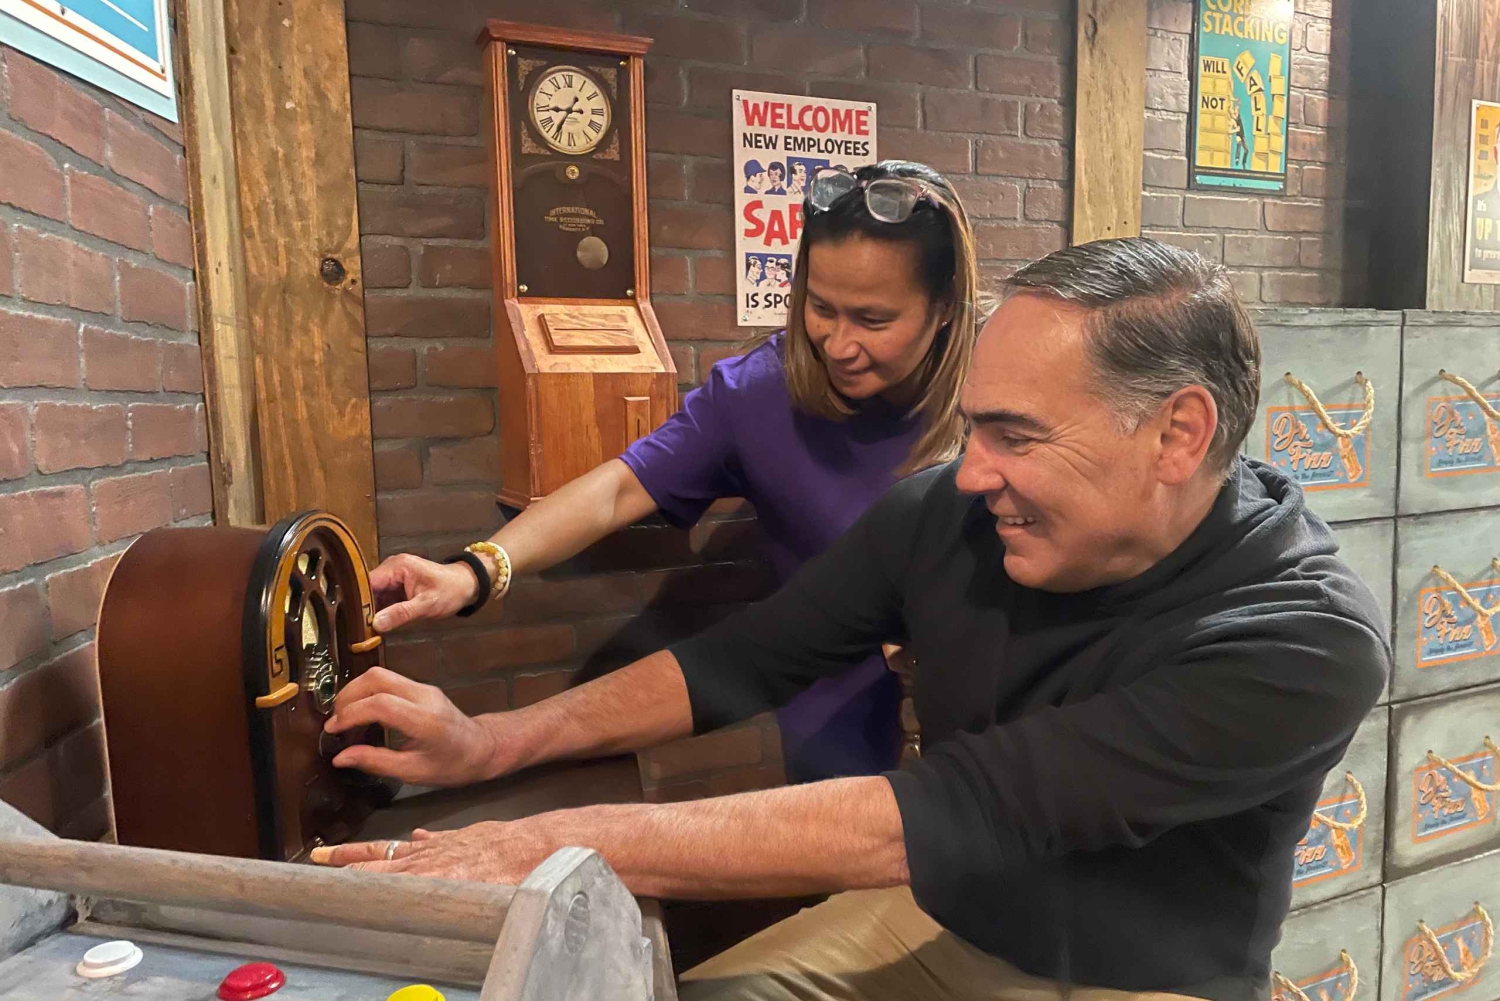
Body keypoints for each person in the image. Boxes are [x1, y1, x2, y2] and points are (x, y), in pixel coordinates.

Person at [319, 238, 1390, 1001]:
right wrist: (490, 743)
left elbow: (938, 814)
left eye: (1016, 436)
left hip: (1140, 977)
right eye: (973, 429)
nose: (972, 473)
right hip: (948, 914)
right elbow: (744, 661)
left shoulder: (1304, 637)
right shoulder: (948, 514)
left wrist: (546, 846)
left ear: (1177, 434)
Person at [366, 160, 983, 783]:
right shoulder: (759, 393)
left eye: (873, 320)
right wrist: (475, 571)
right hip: (829, 710)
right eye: (821, 307)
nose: (839, 344)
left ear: (945, 308)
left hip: (983, 709)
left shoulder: (1000, 398)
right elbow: (618, 488)